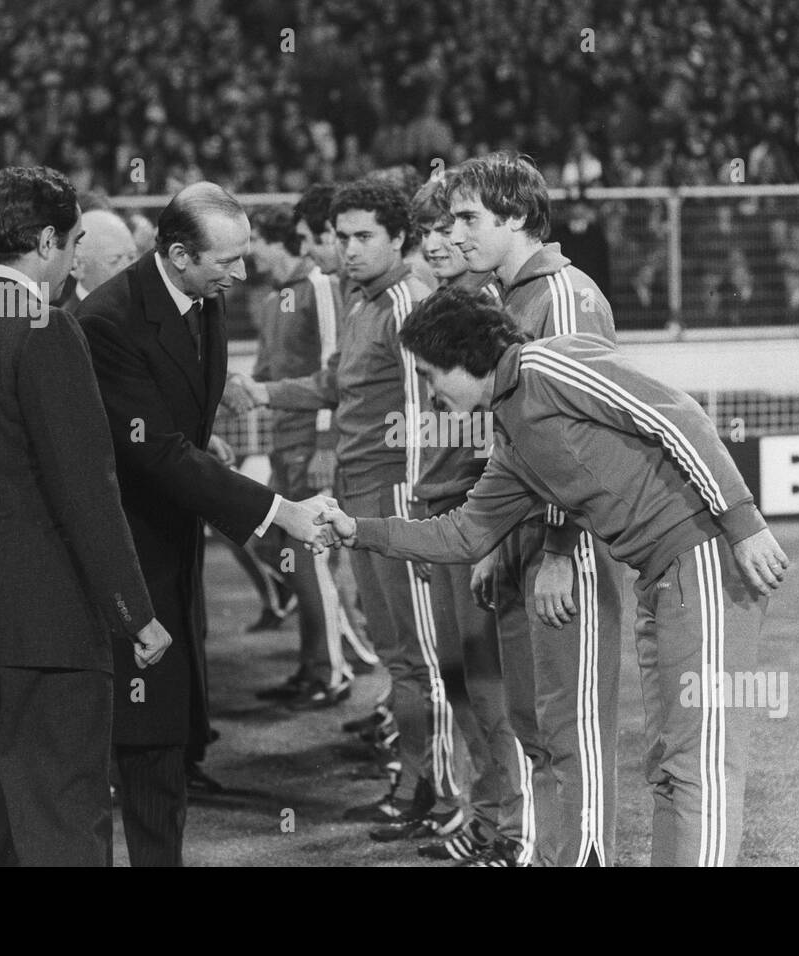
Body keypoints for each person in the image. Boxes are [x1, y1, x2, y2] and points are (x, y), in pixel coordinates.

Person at [317, 287, 789, 867]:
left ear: (466, 356)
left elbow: (677, 416)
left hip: (704, 561)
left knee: (700, 765)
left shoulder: (549, 363)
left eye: (432, 373)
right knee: (669, 764)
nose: (431, 392)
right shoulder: (511, 438)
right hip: (659, 577)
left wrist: (744, 524)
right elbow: (463, 534)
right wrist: (355, 530)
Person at [0, 167, 174, 866]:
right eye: (74, 240)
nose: (76, 258)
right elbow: (86, 488)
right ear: (45, 241)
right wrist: (134, 610)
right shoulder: (44, 329)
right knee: (62, 822)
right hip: (42, 626)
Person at [76, 181, 334, 866]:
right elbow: (152, 449)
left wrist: (201, 440)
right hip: (132, 551)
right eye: (227, 259)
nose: (241, 273)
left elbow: (173, 426)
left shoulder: (201, 296)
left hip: (173, 538)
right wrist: (278, 511)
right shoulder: (109, 319)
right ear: (180, 253)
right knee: (142, 738)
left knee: (166, 730)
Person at [228, 180, 459, 834]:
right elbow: (335, 385)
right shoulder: (365, 301)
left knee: (420, 655)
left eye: (364, 237)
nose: (348, 249)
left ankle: (439, 796)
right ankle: (417, 784)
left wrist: (419, 528)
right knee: (396, 651)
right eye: (343, 236)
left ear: (398, 239)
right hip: (364, 496)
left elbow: (425, 419)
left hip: (394, 499)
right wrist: (266, 394)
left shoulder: (409, 302)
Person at [443, 152, 626, 866]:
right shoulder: (507, 297)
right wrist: (491, 540)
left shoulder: (567, 296)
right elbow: (513, 440)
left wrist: (556, 550)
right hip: (521, 540)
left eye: (468, 218)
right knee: (535, 725)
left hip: (566, 546)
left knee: (570, 728)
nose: (455, 234)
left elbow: (585, 438)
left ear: (515, 217)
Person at [373, 177, 531, 863]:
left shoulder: (489, 314)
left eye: (448, 228)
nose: (436, 243)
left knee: (490, 684)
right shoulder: (443, 307)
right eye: (426, 233)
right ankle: (485, 812)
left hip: (478, 516)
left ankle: (518, 828)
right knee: (460, 677)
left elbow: (512, 430)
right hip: (440, 508)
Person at [246, 203, 353, 709]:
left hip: (313, 444)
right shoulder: (274, 299)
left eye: (255, 243)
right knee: (283, 550)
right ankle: (313, 663)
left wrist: (326, 445)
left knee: (310, 560)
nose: (248, 255)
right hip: (284, 443)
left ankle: (333, 669)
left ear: (276, 239)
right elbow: (270, 372)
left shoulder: (321, 288)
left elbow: (335, 372)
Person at [58, 208, 138, 312]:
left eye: (132, 257)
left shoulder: (149, 315)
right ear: (78, 265)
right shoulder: (65, 325)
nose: (128, 268)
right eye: (114, 260)